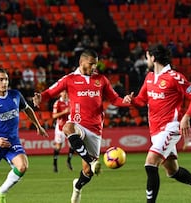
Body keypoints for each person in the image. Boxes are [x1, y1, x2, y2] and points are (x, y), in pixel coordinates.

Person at [32, 49, 130, 203]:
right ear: (81, 62)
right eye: (91, 64)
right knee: (67, 128)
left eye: (96, 65)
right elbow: (50, 92)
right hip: (77, 122)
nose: (94, 68)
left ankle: (77, 187)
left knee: (87, 173)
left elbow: (114, 99)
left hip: (96, 128)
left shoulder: (101, 79)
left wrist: (125, 101)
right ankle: (91, 162)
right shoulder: (70, 79)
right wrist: (40, 97)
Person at [123, 44, 191, 203]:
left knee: (150, 163)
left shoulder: (174, 77)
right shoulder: (149, 77)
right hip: (155, 131)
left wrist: (187, 116)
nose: (146, 59)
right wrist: (131, 101)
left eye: (147, 56)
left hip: (171, 127)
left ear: (153, 58)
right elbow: (142, 100)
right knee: (172, 171)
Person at [0, 68, 48, 203]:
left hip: (13, 141)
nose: (4, 82)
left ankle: (1, 191)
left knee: (22, 166)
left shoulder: (15, 95)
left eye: (6, 79)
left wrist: (38, 125)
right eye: (1, 79)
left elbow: (28, 109)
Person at [52, 90, 74, 172]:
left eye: (66, 92)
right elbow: (54, 115)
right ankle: (55, 164)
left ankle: (68, 161)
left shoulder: (71, 102)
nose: (64, 94)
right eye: (63, 92)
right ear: (60, 93)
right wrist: (63, 112)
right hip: (60, 128)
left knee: (73, 145)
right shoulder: (57, 103)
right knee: (58, 147)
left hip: (69, 127)